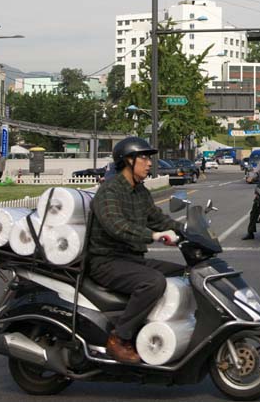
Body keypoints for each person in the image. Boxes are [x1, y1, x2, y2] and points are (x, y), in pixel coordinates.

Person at [87, 137, 184, 364]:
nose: (149, 163)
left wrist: (188, 231)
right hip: (106, 261)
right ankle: (119, 338)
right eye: (144, 157)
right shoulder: (109, 191)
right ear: (128, 161)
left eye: (149, 158)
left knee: (184, 274)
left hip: (131, 259)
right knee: (153, 282)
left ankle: (156, 328)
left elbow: (158, 219)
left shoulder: (140, 192)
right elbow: (116, 226)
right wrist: (153, 236)